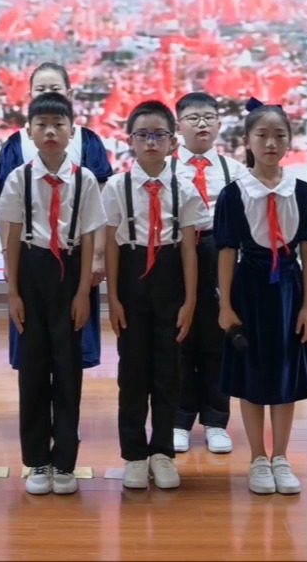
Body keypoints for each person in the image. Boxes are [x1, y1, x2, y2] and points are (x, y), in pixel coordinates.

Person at [0, 92, 106, 496]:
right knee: (32, 372)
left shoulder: (85, 179)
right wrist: (13, 293)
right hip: (31, 270)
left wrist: (82, 293)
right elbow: (9, 236)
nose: (50, 131)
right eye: (41, 124)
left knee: (68, 371)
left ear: (72, 131)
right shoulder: (18, 178)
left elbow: (94, 235)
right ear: (29, 131)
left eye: (58, 125)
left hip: (71, 276)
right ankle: (37, 461)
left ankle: (65, 462)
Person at [216, 99, 307, 495]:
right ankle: (258, 457)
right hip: (250, 287)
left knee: (286, 372)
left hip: (289, 289)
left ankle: (282, 457)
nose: (271, 142)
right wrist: (225, 305)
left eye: (279, 135)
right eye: (262, 135)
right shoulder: (234, 193)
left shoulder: (302, 191)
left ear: (289, 141)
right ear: (248, 141)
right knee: (252, 372)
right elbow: (226, 251)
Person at [102, 100, 206, 490]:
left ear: (172, 142)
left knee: (168, 369)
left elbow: (189, 249)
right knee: (132, 371)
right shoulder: (116, 187)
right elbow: (111, 244)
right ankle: (133, 453)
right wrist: (112, 298)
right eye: (143, 134)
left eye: (159, 134)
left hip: (170, 279)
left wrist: (191, 300)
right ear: (130, 140)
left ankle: (162, 451)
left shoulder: (183, 189)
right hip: (130, 278)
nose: (151, 142)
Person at [0, 62, 112, 374]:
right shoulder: (16, 144)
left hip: (76, 257)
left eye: (55, 89)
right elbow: (6, 209)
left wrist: (98, 255)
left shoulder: (87, 141)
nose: (48, 94)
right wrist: (9, 257)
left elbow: (99, 205)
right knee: (32, 340)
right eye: (40, 90)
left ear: (70, 94)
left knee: (72, 339)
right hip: (32, 257)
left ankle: (65, 414)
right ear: (29, 96)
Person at [170, 91, 245, 456]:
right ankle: (179, 420)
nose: (202, 124)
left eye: (209, 117)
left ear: (218, 124)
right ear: (178, 126)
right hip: (176, 251)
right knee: (180, 337)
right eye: (193, 117)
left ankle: (216, 421)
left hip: (220, 251)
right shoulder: (165, 167)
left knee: (218, 336)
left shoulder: (235, 169)